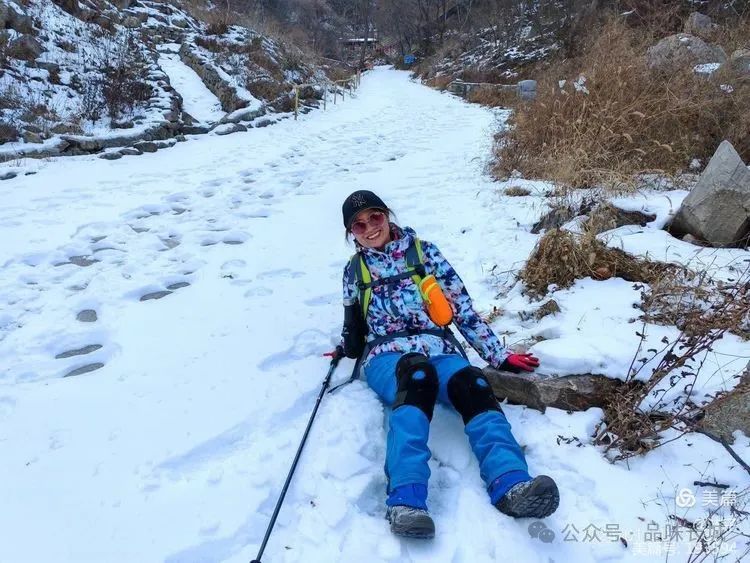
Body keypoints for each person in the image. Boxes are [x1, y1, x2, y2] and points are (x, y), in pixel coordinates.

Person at [339, 190, 559, 539]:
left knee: (472, 383)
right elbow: (353, 328)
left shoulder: (425, 254)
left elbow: (462, 310)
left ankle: (512, 484)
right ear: (351, 232)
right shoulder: (355, 271)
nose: (369, 228)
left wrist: (497, 356)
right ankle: (406, 499)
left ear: (387, 215)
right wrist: (346, 346)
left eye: (375, 217)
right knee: (417, 376)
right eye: (358, 225)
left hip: (438, 347)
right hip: (388, 357)